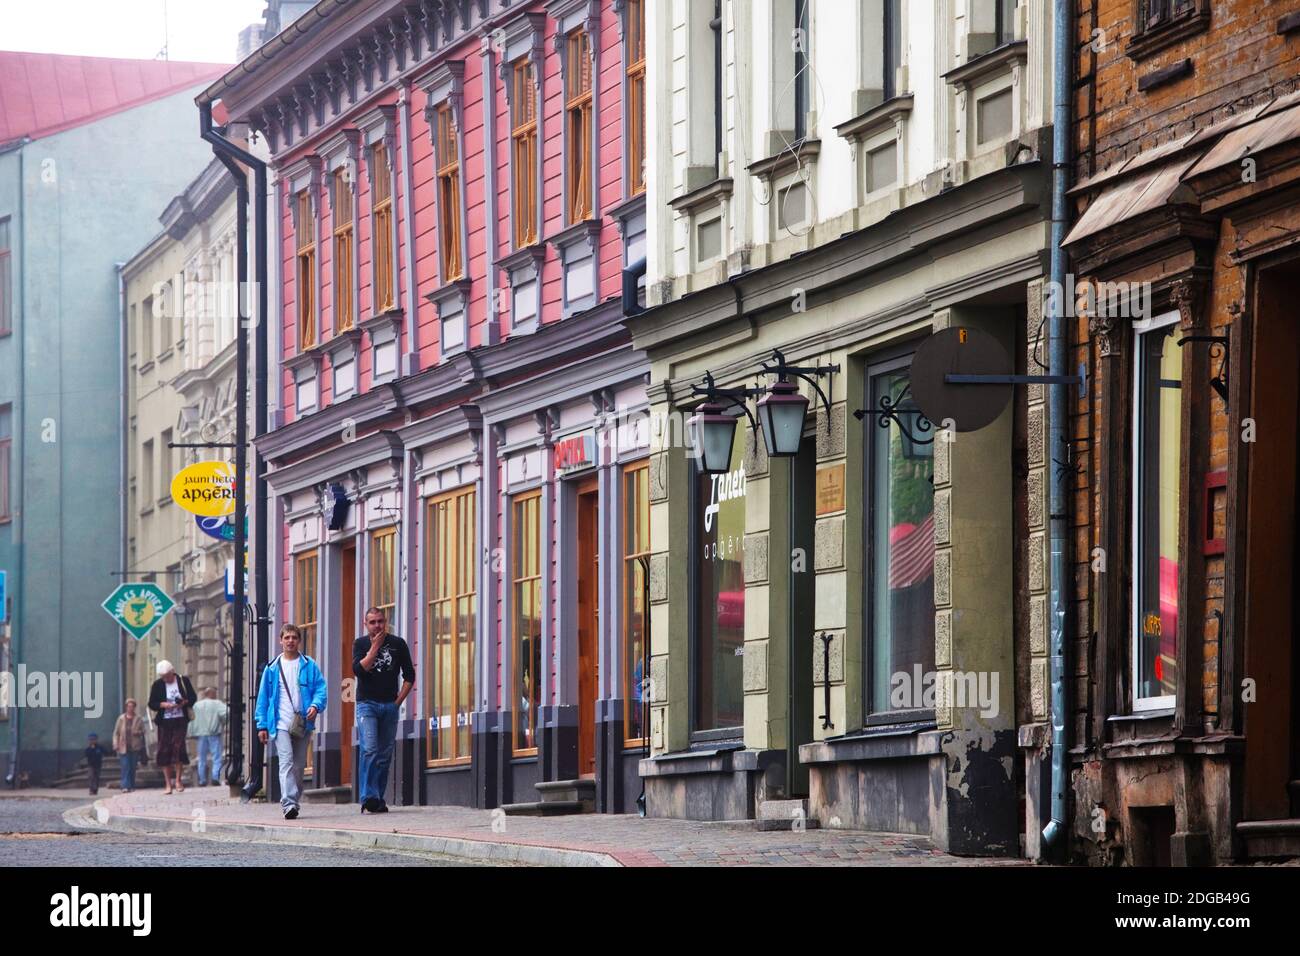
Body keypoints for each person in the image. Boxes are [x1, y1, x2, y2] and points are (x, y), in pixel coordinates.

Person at [255, 624, 326, 820]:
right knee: (285, 761)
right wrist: (261, 725)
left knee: (299, 764)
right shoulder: (272, 668)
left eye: (294, 637)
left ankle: (294, 798)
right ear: (281, 641)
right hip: (279, 722)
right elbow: (263, 698)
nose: (290, 641)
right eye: (286, 637)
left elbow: (320, 689)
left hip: (303, 722)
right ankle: (289, 804)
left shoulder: (309, 665)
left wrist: (315, 705)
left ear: (299, 641)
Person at [352, 606, 414, 814]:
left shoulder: (398, 644)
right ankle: (368, 796)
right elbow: (359, 670)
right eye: (372, 622)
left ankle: (377, 797)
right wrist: (374, 648)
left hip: (389, 705)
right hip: (366, 704)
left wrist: (398, 702)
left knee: (384, 754)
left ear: (385, 621)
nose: (377, 625)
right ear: (365, 624)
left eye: (380, 621)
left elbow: (409, 676)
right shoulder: (360, 644)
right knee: (369, 748)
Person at [147, 660, 197, 795]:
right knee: (164, 750)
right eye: (163, 677)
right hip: (164, 721)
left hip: (180, 719)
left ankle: (178, 781)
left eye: (167, 676)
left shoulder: (182, 681)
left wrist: (183, 703)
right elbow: (152, 703)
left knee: (178, 747)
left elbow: (193, 698)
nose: (166, 679)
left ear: (172, 672)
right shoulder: (157, 685)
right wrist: (163, 705)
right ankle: (168, 783)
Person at [188, 688, 228, 786]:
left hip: (201, 734)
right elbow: (227, 712)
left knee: (201, 757)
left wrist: (192, 732)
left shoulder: (197, 705)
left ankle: (202, 780)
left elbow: (191, 718)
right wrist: (223, 722)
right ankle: (215, 777)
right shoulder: (217, 703)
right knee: (217, 756)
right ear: (212, 694)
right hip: (213, 733)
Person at [112, 699, 147, 793]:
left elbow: (144, 731)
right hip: (123, 746)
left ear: (134, 707)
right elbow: (116, 732)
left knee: (132, 767)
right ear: (126, 707)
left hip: (135, 746)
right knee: (125, 766)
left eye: (132, 706)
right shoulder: (121, 718)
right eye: (128, 706)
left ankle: (131, 785)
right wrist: (115, 744)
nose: (130, 708)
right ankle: (125, 786)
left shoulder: (138, 718)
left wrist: (138, 732)